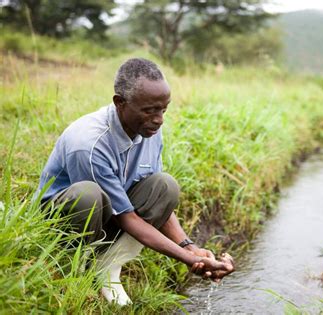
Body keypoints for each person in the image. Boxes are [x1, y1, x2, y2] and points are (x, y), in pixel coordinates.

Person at [36, 58, 234, 306]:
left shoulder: (149, 129)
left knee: (165, 185)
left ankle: (108, 267)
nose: (159, 119)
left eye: (163, 109)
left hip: (113, 212)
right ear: (120, 102)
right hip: (64, 221)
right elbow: (125, 217)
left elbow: (154, 203)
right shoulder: (88, 143)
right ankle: (73, 270)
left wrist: (190, 246)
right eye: (150, 109)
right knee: (88, 195)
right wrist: (187, 258)